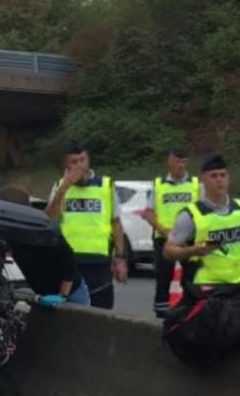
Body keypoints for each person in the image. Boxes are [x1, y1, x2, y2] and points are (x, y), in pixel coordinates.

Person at [162, 154, 240, 363]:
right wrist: (193, 251)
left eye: (223, 175)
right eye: (214, 176)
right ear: (203, 180)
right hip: (209, 294)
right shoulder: (191, 215)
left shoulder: (239, 209)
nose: (219, 180)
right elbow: (169, 250)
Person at [45, 141, 128, 309]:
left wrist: (120, 258)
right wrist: (64, 188)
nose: (79, 166)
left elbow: (116, 224)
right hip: (70, 264)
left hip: (99, 263)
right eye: (74, 162)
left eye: (82, 160)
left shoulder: (106, 186)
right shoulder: (60, 187)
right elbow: (48, 219)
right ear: (66, 165)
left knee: (102, 314)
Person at [0, 186, 90, 307]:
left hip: (71, 293)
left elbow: (69, 263)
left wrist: (62, 296)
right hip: (43, 294)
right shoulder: (12, 233)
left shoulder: (43, 230)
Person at [140, 147, 201, 318]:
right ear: (170, 162)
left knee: (192, 280)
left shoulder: (195, 185)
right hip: (164, 240)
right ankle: (160, 319)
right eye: (177, 161)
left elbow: (204, 211)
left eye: (183, 162)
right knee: (163, 281)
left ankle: (191, 315)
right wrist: (163, 230)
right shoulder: (159, 185)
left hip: (190, 240)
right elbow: (148, 212)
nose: (181, 166)